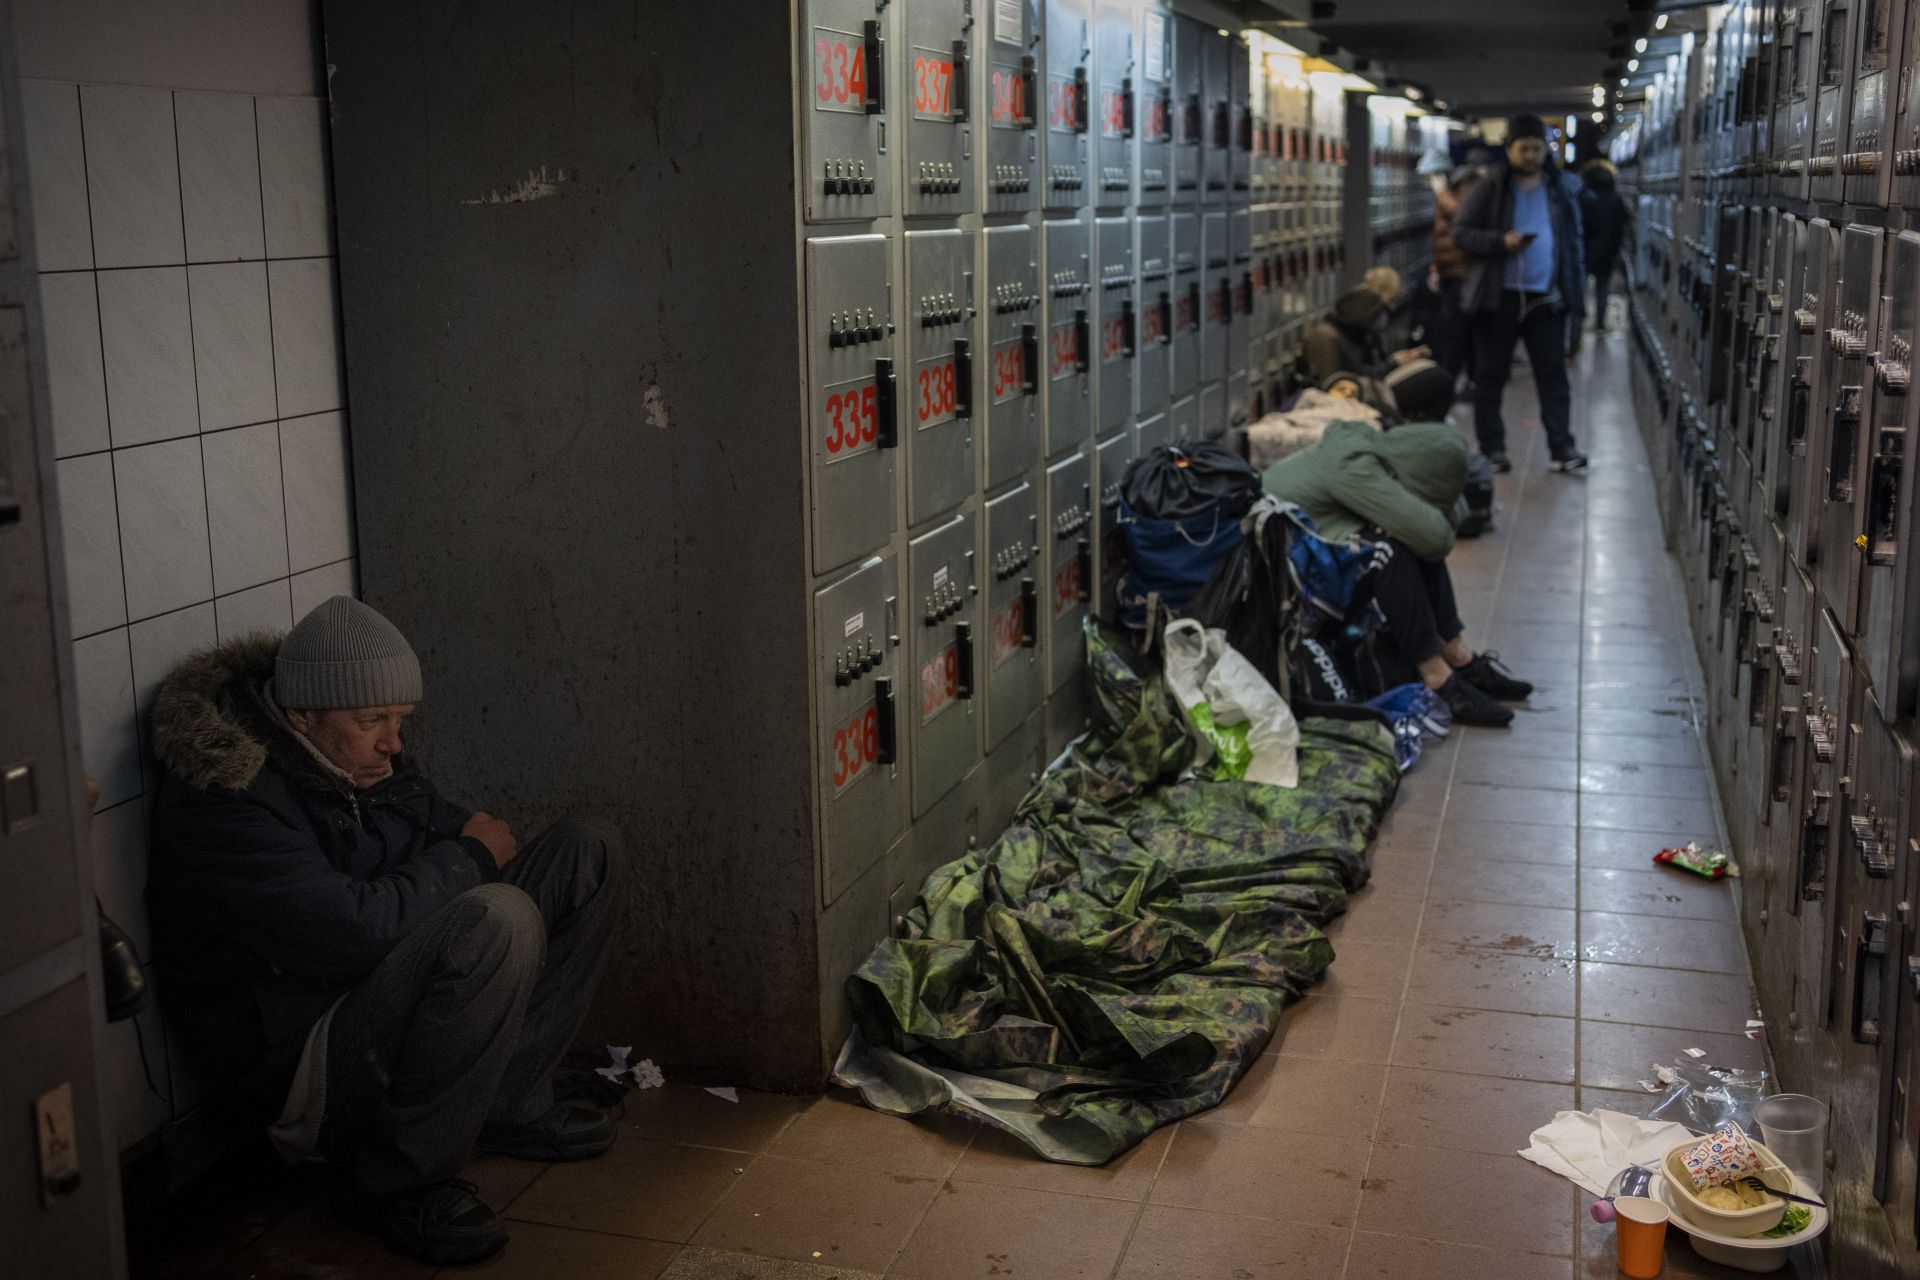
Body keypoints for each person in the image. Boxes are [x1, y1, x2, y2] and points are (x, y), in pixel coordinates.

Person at [147, 596, 630, 1267]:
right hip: (302, 1056)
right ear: (301, 715)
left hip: (368, 987)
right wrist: (464, 860)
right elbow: (354, 930)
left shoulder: (353, 758)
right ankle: (397, 1184)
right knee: (497, 919)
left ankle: (508, 1100)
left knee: (588, 849)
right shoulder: (227, 800)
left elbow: (455, 830)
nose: (393, 741)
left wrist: (464, 856)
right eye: (373, 720)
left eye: (399, 720)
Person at [1261, 419, 1535, 726]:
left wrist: (1429, 503)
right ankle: (1437, 676)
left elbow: (1444, 524)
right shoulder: (1356, 467)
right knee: (1388, 551)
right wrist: (1425, 506)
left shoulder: (1376, 454)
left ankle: (1460, 657)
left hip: (1315, 555)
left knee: (1408, 537)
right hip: (1282, 575)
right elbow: (1437, 536)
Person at [1452, 113, 1590, 476]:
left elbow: (1573, 243)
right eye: (1523, 148)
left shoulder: (1560, 190)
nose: (1530, 155)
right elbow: (1461, 233)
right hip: (1499, 297)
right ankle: (1492, 449)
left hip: (1546, 298)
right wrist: (1501, 242)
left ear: (1546, 150)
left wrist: (1576, 297)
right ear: (1509, 150)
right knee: (1490, 375)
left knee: (1553, 375)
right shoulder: (1490, 188)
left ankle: (1563, 447)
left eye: (1536, 148)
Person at [1430, 164, 1482, 379]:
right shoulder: (1450, 201)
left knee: (1465, 332)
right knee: (1456, 332)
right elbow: (1462, 216)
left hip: (1458, 273)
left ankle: (1463, 378)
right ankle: (1448, 381)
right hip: (1456, 273)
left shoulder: (1453, 201)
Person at [1580, 157, 1632, 331]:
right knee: (1603, 289)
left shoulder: (1583, 195)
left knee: (1581, 289)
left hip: (1585, 249)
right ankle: (1600, 323)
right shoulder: (1615, 197)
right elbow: (1623, 222)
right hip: (1608, 250)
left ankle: (1577, 325)